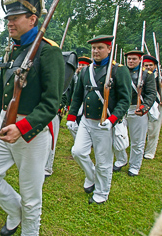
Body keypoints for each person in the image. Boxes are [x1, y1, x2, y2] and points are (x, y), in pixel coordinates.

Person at [0, 0, 64, 235]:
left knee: (31, 196)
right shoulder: (13, 51)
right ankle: (14, 211)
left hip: (32, 130)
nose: (9, 23)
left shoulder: (48, 52)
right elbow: (5, 92)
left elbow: (52, 102)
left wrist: (23, 127)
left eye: (15, 17)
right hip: (6, 124)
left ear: (33, 18)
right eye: (8, 18)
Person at [66, 35, 131, 205]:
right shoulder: (86, 70)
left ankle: (101, 194)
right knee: (77, 152)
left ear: (109, 49)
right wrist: (72, 116)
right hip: (87, 121)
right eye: (94, 48)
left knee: (104, 161)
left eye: (100, 48)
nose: (96, 51)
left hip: (105, 123)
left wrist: (113, 119)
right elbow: (78, 94)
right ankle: (92, 176)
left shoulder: (118, 70)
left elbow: (125, 99)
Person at [113, 50, 156, 176]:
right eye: (129, 59)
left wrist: (144, 107)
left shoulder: (147, 75)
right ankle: (121, 160)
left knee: (138, 141)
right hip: (121, 109)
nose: (131, 61)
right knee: (117, 135)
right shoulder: (120, 72)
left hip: (136, 109)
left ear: (139, 60)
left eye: (134, 59)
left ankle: (134, 166)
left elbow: (151, 94)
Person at [60, 56, 92, 140]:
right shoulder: (74, 77)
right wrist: (69, 104)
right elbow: (70, 91)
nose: (81, 67)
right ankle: (79, 139)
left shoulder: (90, 77)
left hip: (86, 102)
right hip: (76, 103)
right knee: (74, 123)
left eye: (83, 65)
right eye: (80, 64)